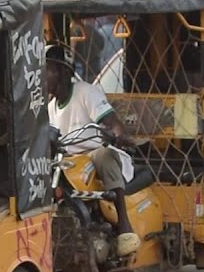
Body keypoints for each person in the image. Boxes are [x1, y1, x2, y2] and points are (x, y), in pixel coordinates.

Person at [43, 44, 139, 257]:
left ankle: (124, 225)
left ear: (64, 72)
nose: (42, 75)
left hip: (95, 154)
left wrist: (116, 133)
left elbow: (112, 121)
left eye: (47, 69)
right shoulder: (50, 108)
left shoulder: (86, 92)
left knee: (104, 154)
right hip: (70, 160)